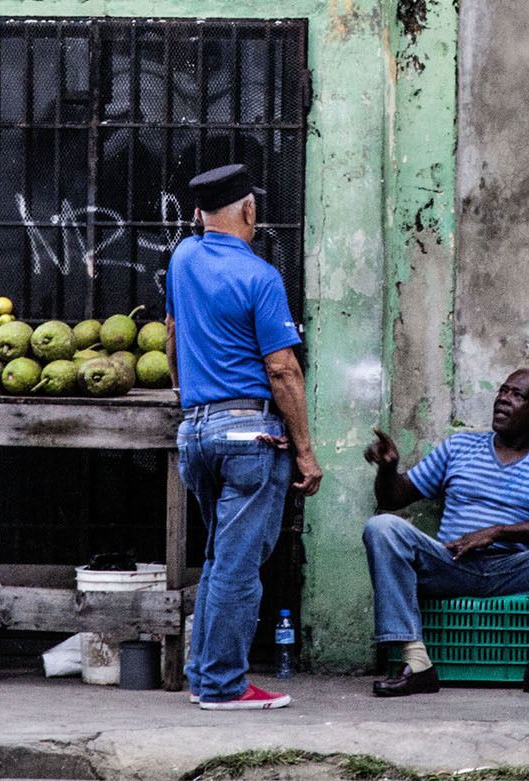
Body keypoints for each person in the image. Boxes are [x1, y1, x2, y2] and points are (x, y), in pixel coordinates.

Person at [167, 162, 322, 711]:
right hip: (250, 439)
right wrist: (304, 451)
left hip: (198, 432)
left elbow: (172, 337)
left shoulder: (182, 259)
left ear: (197, 215)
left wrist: (191, 397)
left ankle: (203, 675)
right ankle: (224, 685)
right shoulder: (261, 277)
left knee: (217, 558)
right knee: (237, 565)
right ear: (250, 211)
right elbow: (283, 369)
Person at [361, 368, 529, 698]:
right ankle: (416, 664)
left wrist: (497, 532)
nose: (503, 399)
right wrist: (388, 469)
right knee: (381, 527)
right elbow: (392, 498)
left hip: (516, 569)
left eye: (518, 395)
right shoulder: (459, 448)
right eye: (503, 391)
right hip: (450, 564)